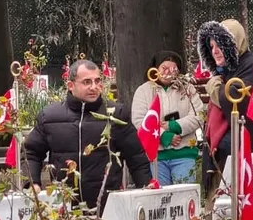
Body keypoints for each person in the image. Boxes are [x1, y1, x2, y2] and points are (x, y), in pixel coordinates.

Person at [23, 59, 153, 209]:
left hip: (107, 205)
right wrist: (32, 182)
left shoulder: (116, 114)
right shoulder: (49, 116)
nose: (94, 87)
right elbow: (30, 152)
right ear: (71, 85)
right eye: (87, 82)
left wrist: (145, 190)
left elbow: (136, 157)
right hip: (65, 207)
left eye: (97, 81)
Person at [196, 19, 253, 195]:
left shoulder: (250, 65)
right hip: (224, 153)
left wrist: (214, 88)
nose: (214, 51)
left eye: (219, 45)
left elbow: (236, 98)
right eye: (211, 46)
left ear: (233, 43)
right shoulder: (227, 69)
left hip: (242, 152)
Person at [130, 51, 204, 186]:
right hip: (156, 156)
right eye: (164, 68)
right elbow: (139, 120)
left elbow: (198, 115)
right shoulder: (144, 91)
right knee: (161, 201)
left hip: (184, 153)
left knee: (184, 198)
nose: (168, 73)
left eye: (173, 69)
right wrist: (163, 135)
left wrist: (174, 126)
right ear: (155, 68)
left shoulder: (187, 89)